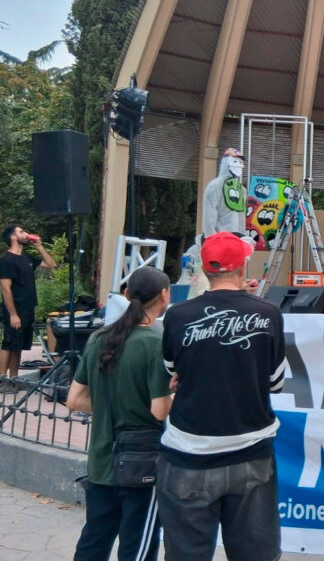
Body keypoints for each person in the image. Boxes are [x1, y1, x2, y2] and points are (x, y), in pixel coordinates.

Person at [157, 232, 286, 560]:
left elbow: (171, 369)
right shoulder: (268, 313)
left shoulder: (178, 315)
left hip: (188, 452)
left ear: (205, 268)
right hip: (250, 452)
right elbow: (275, 383)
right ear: (242, 267)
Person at [67, 266, 173, 561]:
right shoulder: (155, 343)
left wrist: (109, 405)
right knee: (137, 545)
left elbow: (75, 399)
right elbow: (159, 409)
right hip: (142, 464)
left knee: (94, 539)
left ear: (126, 295)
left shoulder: (99, 337)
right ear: (164, 295)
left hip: (102, 459)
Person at [0, 223, 56, 390]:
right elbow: (5, 288)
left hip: (28, 306)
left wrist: (39, 246)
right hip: (14, 308)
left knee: (19, 345)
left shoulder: (27, 258)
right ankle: (2, 379)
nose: (25, 234)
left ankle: (14, 379)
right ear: (13, 237)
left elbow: (51, 264)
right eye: (21, 231)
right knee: (9, 343)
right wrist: (12, 314)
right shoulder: (6, 260)